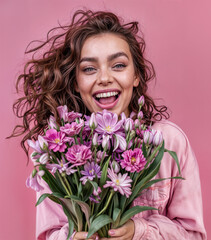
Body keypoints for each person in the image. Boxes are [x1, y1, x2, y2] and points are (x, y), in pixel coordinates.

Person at [10, 10, 207, 240]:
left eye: (118, 65)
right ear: (75, 83)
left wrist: (139, 231)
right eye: (89, 69)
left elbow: (194, 236)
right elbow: (48, 235)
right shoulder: (57, 153)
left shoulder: (169, 141)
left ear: (136, 76)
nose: (104, 78)